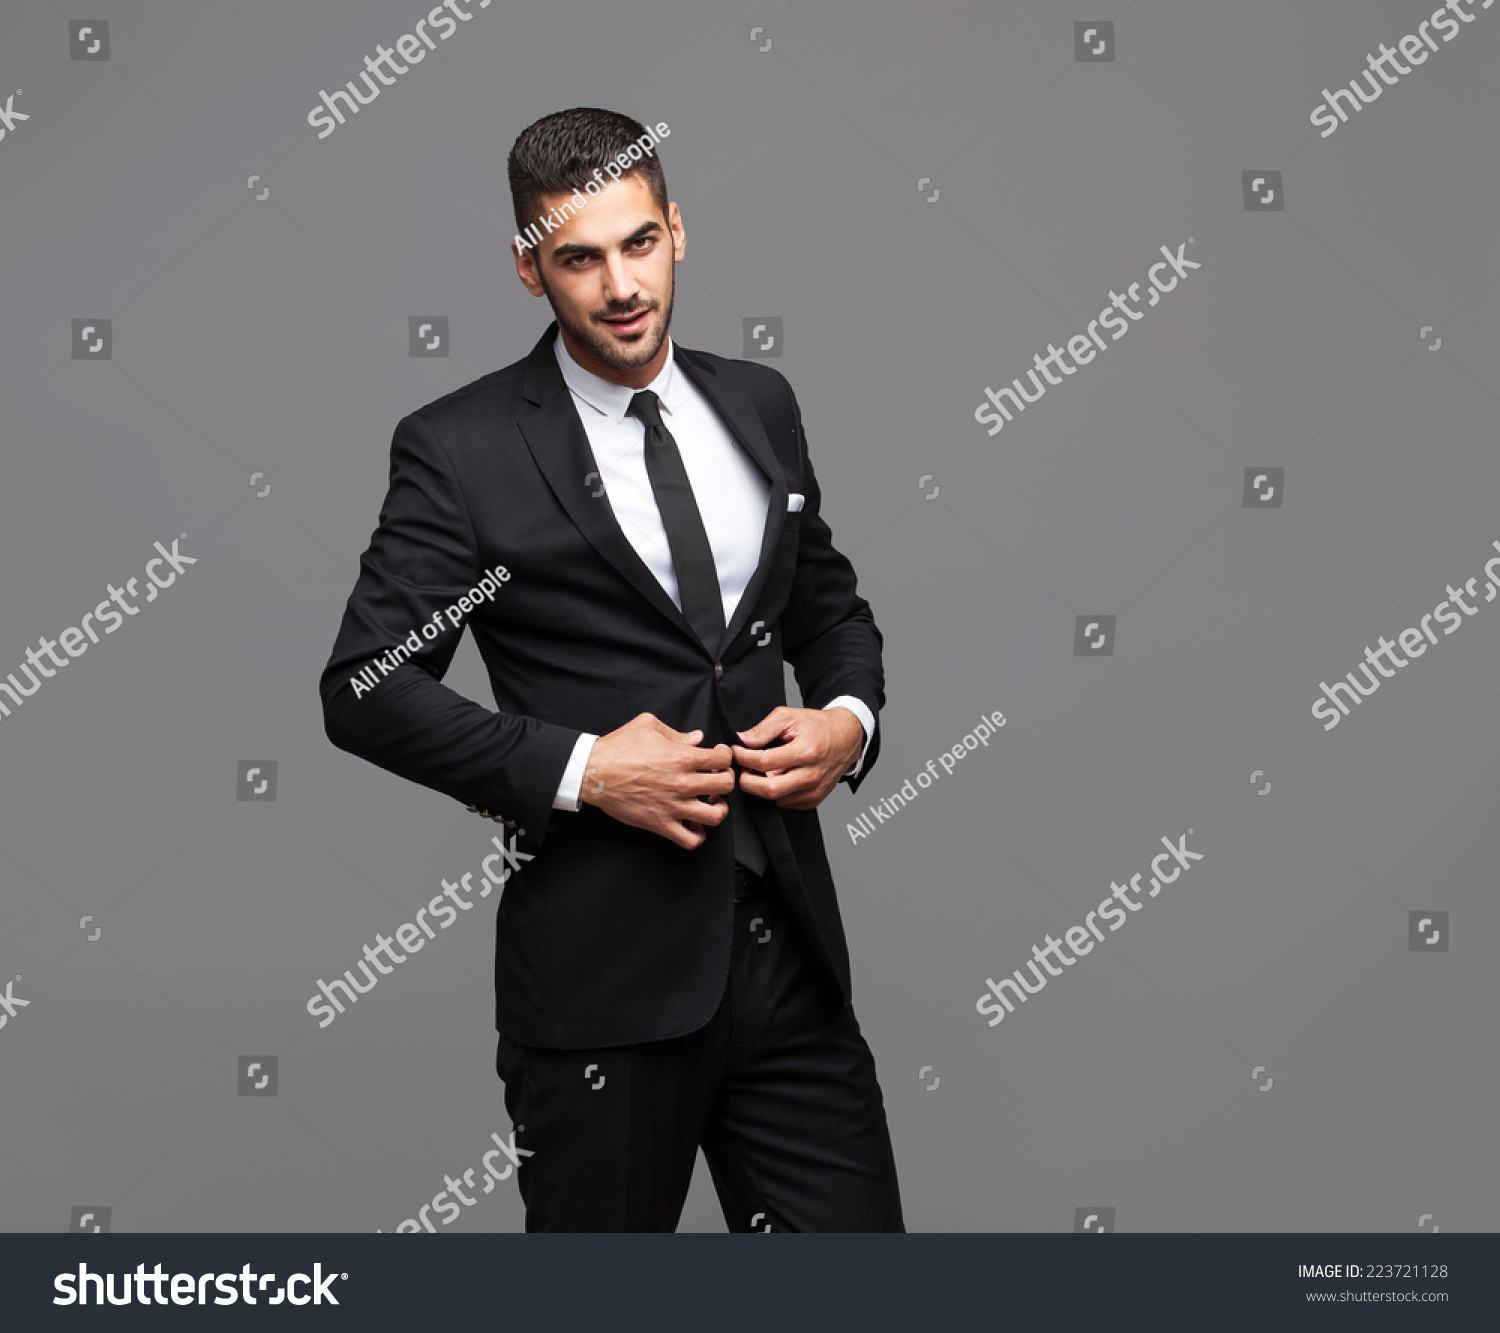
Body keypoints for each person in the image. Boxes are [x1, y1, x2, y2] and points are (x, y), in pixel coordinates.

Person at [320, 106, 903, 1232]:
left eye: (638, 243)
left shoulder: (758, 405)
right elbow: (366, 687)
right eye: (578, 258)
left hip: (790, 962)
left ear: (677, 230)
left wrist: (846, 720)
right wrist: (586, 771)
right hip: (603, 989)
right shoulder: (462, 448)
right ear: (529, 269)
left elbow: (831, 608)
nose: (620, 284)